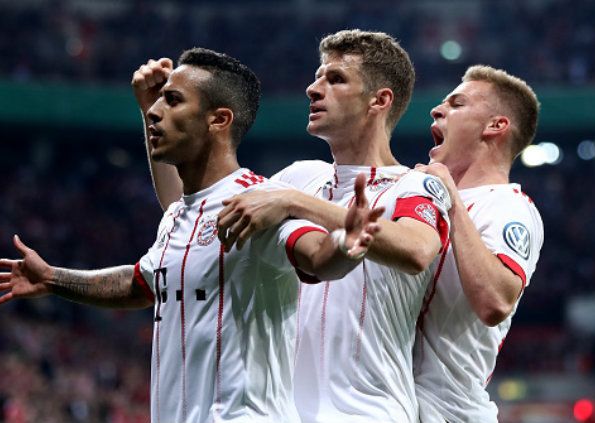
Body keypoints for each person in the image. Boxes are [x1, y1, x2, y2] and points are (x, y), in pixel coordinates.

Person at [0, 48, 386, 423]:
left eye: (172, 101)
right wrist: (53, 278)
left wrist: (346, 246)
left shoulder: (258, 201)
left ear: (219, 120)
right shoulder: (178, 213)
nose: (155, 112)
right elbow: (142, 283)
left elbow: (316, 256)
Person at [149, 30, 451, 423]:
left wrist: (295, 202)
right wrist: (150, 113)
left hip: (370, 412)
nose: (313, 88)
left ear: (379, 100)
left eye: (335, 79)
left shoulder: (415, 185)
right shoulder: (299, 176)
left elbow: (417, 249)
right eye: (317, 75)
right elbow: (185, 208)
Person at [412, 65, 544, 422]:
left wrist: (451, 199)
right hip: (391, 405)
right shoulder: (420, 194)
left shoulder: (510, 207)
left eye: (457, 104)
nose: (437, 110)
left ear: (495, 126)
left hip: (449, 413)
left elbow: (495, 301)